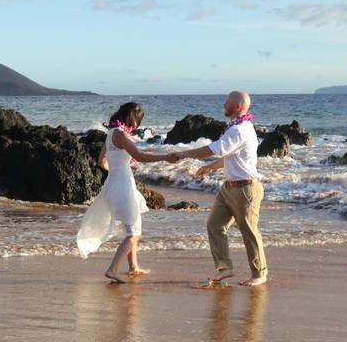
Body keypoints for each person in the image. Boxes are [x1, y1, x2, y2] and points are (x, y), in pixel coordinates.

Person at [172, 91, 268, 286]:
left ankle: (259, 274)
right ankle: (225, 268)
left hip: (246, 189)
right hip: (229, 188)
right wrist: (209, 167)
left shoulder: (240, 129)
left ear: (238, 107)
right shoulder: (235, 128)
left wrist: (185, 154)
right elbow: (228, 157)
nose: (224, 104)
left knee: (249, 232)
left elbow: (214, 149)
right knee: (214, 225)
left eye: (227, 102)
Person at [77, 102, 172, 283]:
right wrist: (166, 158)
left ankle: (133, 267)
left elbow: (100, 161)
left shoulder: (112, 133)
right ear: (132, 119)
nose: (138, 126)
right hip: (122, 185)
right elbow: (141, 156)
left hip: (115, 183)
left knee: (133, 228)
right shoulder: (120, 134)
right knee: (134, 234)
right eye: (138, 121)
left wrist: (115, 171)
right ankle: (112, 270)